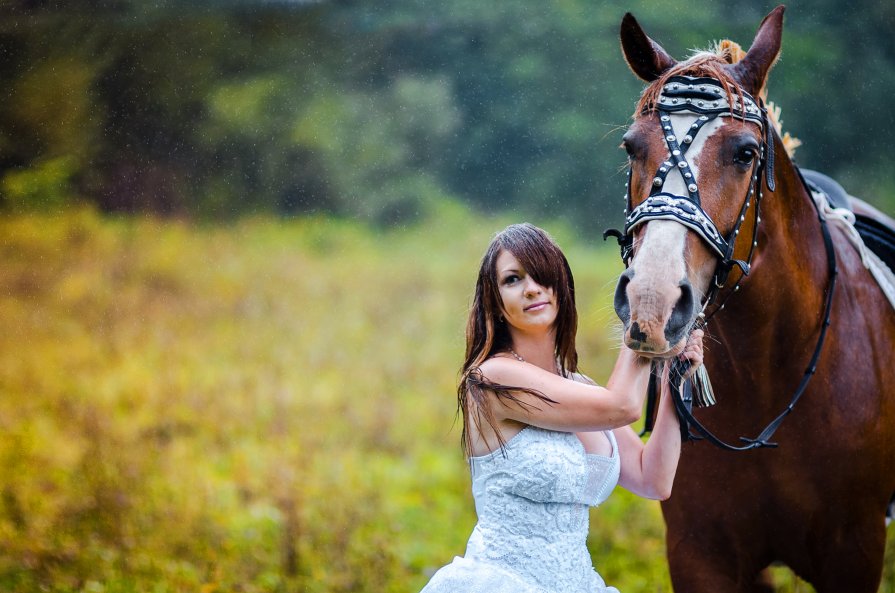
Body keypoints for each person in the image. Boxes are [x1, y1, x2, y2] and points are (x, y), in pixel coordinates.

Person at [420, 223, 704, 593]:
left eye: (541, 275)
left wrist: (677, 379)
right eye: (512, 280)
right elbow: (622, 405)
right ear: (497, 304)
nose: (532, 288)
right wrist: (646, 309)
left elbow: (653, 478)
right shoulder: (494, 378)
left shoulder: (580, 388)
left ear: (561, 286)